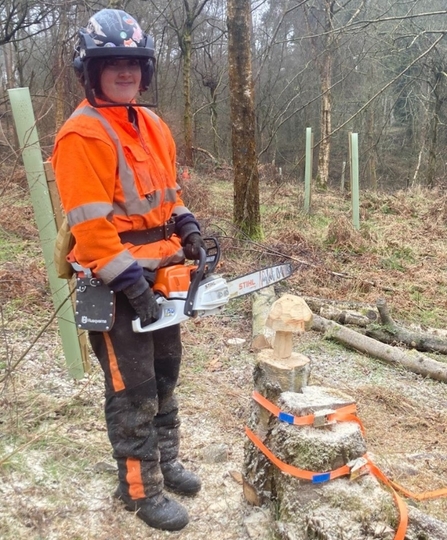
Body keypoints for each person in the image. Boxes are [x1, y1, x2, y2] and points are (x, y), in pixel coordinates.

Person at [52, 8, 204, 532]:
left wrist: (188, 228)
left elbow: (169, 194)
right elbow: (90, 226)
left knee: (166, 375)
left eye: (134, 63)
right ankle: (140, 490)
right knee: (132, 388)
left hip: (162, 277)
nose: (125, 72)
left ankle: (167, 463)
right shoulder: (82, 134)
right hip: (117, 285)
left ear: (147, 69)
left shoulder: (153, 124)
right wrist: (128, 281)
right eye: (112, 63)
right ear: (90, 71)